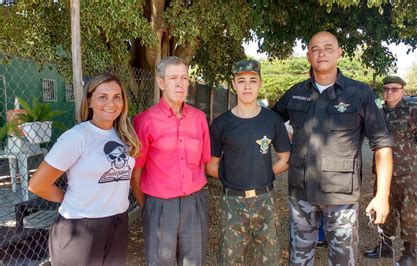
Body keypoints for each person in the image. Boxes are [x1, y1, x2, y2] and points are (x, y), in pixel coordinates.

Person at [272, 31, 394, 265]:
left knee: (342, 260)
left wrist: (382, 195)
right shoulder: (296, 92)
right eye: (315, 48)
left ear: (339, 53)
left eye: (328, 47)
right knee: (298, 260)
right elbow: (269, 122)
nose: (322, 52)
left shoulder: (360, 93)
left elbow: (382, 146)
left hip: (341, 196)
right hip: (301, 193)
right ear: (308, 56)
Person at [28, 73, 140, 265]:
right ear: (89, 101)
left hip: (118, 222)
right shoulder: (76, 137)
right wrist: (69, 199)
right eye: (102, 97)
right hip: (81, 225)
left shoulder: (125, 136)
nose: (111, 103)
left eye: (117, 97)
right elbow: (37, 185)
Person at [206, 60, 291, 265]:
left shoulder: (272, 120)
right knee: (231, 259)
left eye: (253, 81)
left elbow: (286, 158)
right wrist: (235, 178)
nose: (247, 86)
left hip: (265, 200)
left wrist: (263, 174)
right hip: (232, 202)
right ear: (233, 84)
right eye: (241, 81)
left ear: (260, 83)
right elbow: (211, 166)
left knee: (270, 259)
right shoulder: (221, 124)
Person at [131, 56, 211, 265]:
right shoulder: (144, 121)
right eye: (173, 77)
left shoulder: (199, 118)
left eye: (184, 78)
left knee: (194, 261)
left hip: (195, 204)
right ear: (160, 82)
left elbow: (204, 163)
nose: (179, 83)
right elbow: (136, 173)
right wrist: (149, 207)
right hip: (160, 205)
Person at [364, 76, 417, 265]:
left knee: (408, 212)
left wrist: (410, 158)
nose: (389, 92)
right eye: (386, 89)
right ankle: (384, 246)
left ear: (403, 90)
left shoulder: (413, 110)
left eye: (394, 89)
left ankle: (410, 253)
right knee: (385, 209)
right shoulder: (378, 110)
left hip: (408, 175)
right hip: (383, 173)